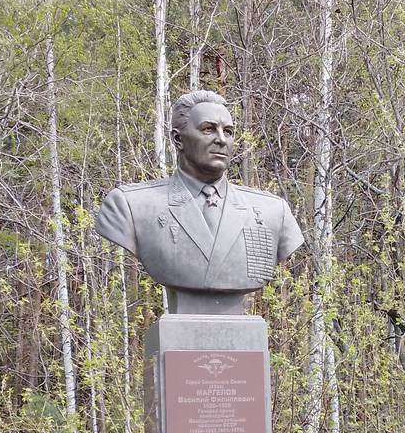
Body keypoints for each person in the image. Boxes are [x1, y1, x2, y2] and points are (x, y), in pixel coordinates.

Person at [93, 90, 303, 298]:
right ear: (178, 139)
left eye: (228, 132)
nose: (222, 140)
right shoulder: (131, 206)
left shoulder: (273, 212)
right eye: (209, 129)